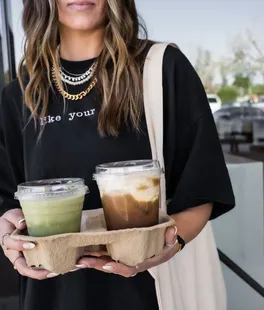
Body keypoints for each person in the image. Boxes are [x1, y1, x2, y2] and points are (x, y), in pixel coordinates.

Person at [0, 1, 235, 309]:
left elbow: (201, 183)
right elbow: (8, 198)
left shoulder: (161, 69)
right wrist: (11, 239)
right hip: (52, 294)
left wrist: (169, 244)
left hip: (147, 290)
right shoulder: (20, 94)